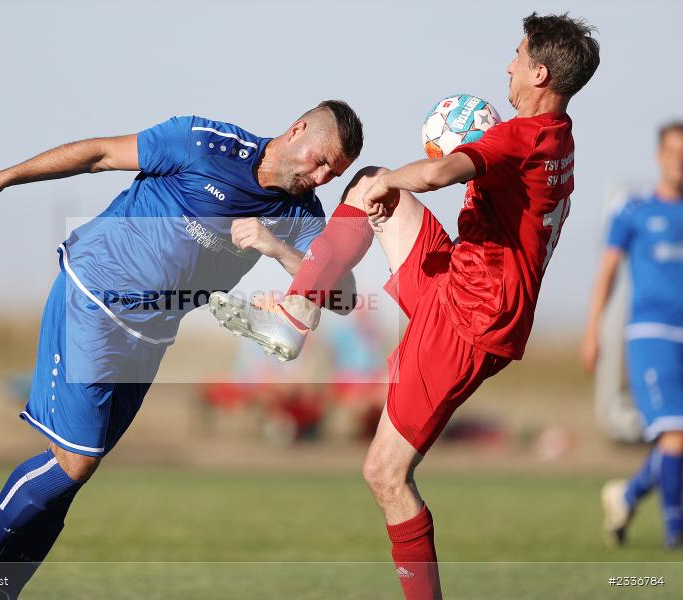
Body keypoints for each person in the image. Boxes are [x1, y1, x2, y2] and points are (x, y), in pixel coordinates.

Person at [210, 13, 599, 599]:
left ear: (540, 73)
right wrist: (384, 184)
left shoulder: (522, 136)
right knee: (370, 182)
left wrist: (396, 179)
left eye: (518, 57)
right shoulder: (556, 135)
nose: (509, 66)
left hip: (468, 322)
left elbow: (440, 172)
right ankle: (297, 313)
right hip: (459, 283)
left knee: (385, 474)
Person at [0, 101, 363, 598]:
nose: (322, 177)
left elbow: (344, 297)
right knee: (76, 462)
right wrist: (3, 178)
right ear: (297, 130)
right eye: (321, 160)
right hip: (94, 297)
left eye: (335, 173)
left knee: (73, 474)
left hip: (151, 336)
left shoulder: (300, 215)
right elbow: (99, 154)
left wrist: (276, 247)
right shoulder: (202, 142)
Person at [582, 121, 683, 549]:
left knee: (678, 440)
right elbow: (607, 272)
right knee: (675, 433)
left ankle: (627, 494)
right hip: (651, 335)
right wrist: (593, 330)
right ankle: (676, 536)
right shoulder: (634, 209)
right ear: (659, 156)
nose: (679, 161)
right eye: (672, 152)